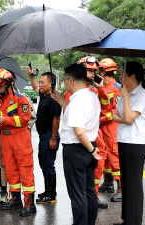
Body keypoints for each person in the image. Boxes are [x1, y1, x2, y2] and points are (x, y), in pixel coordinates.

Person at [52, 63, 102, 225]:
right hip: (89, 148)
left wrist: (91, 149)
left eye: (65, 80)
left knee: (78, 195)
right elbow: (76, 114)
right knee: (89, 192)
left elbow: (79, 132)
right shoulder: (91, 96)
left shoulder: (77, 101)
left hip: (77, 150)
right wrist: (60, 100)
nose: (65, 83)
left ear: (71, 81)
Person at [0, 68, 36, 217]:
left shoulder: (21, 98)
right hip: (5, 138)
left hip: (20, 137)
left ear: (9, 84)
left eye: (0, 86)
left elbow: (24, 119)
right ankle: (15, 199)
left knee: (25, 170)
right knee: (10, 170)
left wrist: (5, 120)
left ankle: (29, 203)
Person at [64, 56, 110, 209]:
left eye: (94, 71)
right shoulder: (75, 92)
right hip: (87, 138)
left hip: (89, 139)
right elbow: (69, 111)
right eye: (89, 70)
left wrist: (101, 88)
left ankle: (90, 205)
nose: (92, 73)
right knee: (85, 188)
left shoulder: (95, 90)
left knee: (85, 189)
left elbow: (107, 106)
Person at [112, 61, 145, 225]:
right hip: (124, 141)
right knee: (126, 183)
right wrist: (124, 117)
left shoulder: (142, 95)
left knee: (134, 186)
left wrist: (126, 99)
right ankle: (126, 219)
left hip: (135, 144)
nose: (120, 77)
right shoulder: (126, 92)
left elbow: (128, 118)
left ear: (132, 76)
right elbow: (114, 115)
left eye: (122, 74)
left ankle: (134, 222)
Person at [27, 70, 61, 204]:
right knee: (43, 163)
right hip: (43, 136)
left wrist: (53, 137)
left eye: (43, 82)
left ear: (51, 83)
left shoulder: (53, 98)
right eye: (40, 82)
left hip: (49, 135)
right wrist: (31, 76)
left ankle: (51, 194)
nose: (40, 85)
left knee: (48, 165)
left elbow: (56, 119)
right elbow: (35, 87)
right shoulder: (44, 95)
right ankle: (48, 191)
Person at [97, 58, 122, 202]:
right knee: (104, 155)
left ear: (104, 71)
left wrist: (101, 119)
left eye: (99, 70)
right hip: (102, 127)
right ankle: (108, 183)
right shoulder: (102, 86)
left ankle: (121, 187)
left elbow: (115, 111)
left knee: (114, 156)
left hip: (111, 127)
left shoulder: (116, 87)